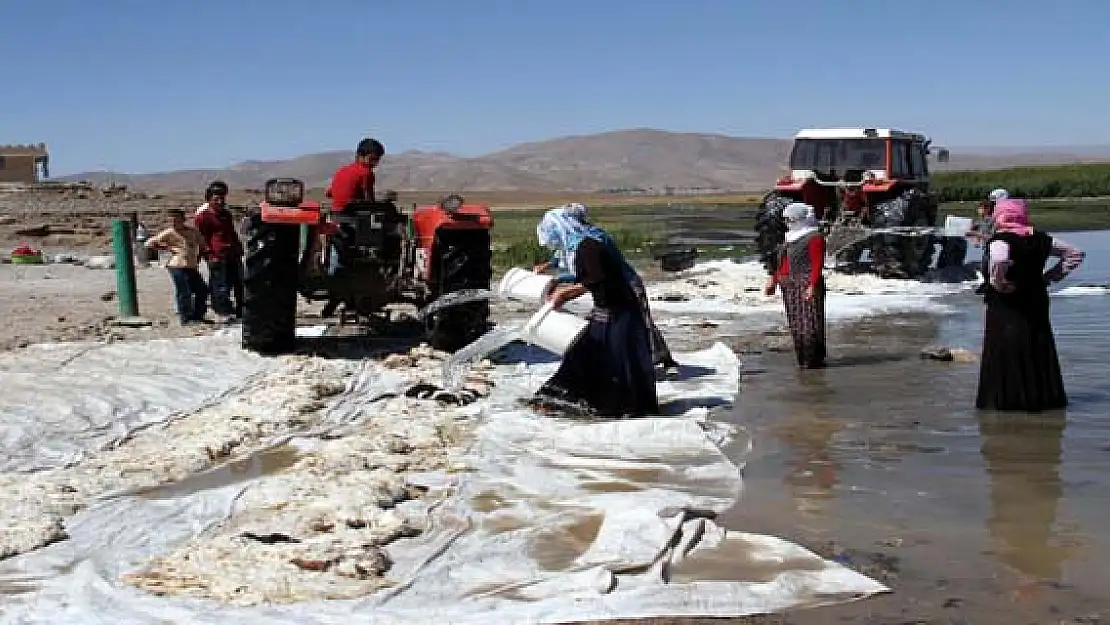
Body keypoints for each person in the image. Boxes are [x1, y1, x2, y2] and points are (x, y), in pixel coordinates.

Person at [530, 207, 660, 417]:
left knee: (617, 354)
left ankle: (621, 405)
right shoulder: (580, 244)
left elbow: (597, 278)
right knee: (591, 349)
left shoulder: (587, 245)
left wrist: (566, 294)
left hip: (619, 305)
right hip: (609, 305)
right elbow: (589, 276)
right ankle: (567, 398)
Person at [533, 203, 680, 371]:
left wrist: (564, 291)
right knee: (620, 327)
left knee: (641, 323)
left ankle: (660, 359)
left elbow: (595, 274)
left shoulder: (592, 239)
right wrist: (556, 277)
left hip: (627, 285)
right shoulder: (574, 241)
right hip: (609, 289)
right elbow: (579, 270)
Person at [976, 198, 1085, 412]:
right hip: (1035, 298)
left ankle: (1006, 401)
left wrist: (999, 282)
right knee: (1037, 342)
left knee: (1004, 347)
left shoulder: (1001, 240)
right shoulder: (1043, 239)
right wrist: (1049, 277)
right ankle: (1044, 398)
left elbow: (998, 260)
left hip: (1006, 303)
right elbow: (1075, 254)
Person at [764, 202, 827, 369]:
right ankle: (803, 360)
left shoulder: (814, 237)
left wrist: (812, 286)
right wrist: (774, 280)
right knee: (796, 325)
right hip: (789, 286)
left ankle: (813, 361)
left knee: (809, 324)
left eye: (791, 220)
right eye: (787, 220)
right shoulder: (790, 237)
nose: (788, 223)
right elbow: (782, 262)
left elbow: (817, 264)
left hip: (806, 283)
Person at [145, 209, 209, 325]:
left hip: (190, 265)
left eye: (177, 219)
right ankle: (186, 318)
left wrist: (198, 258)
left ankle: (198, 316)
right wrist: (166, 248)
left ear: (183, 219)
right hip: (176, 265)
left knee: (202, 290)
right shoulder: (169, 232)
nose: (174, 221)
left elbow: (203, 245)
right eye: (172, 219)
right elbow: (149, 243)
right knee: (184, 291)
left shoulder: (193, 232)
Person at [195, 181, 244, 322]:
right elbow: (201, 237)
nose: (220, 201)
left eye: (222, 198)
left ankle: (241, 310)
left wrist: (238, 247)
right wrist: (208, 254)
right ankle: (222, 312)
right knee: (220, 285)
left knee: (238, 282)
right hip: (216, 254)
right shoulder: (203, 217)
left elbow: (231, 232)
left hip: (232, 253)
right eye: (216, 199)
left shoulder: (226, 215)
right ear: (209, 199)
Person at [327, 138, 384, 212]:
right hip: (353, 213)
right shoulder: (366, 172)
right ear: (361, 156)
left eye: (377, 160)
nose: (374, 163)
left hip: (335, 213)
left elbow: (329, 193)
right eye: (372, 159)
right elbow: (370, 197)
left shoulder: (342, 170)